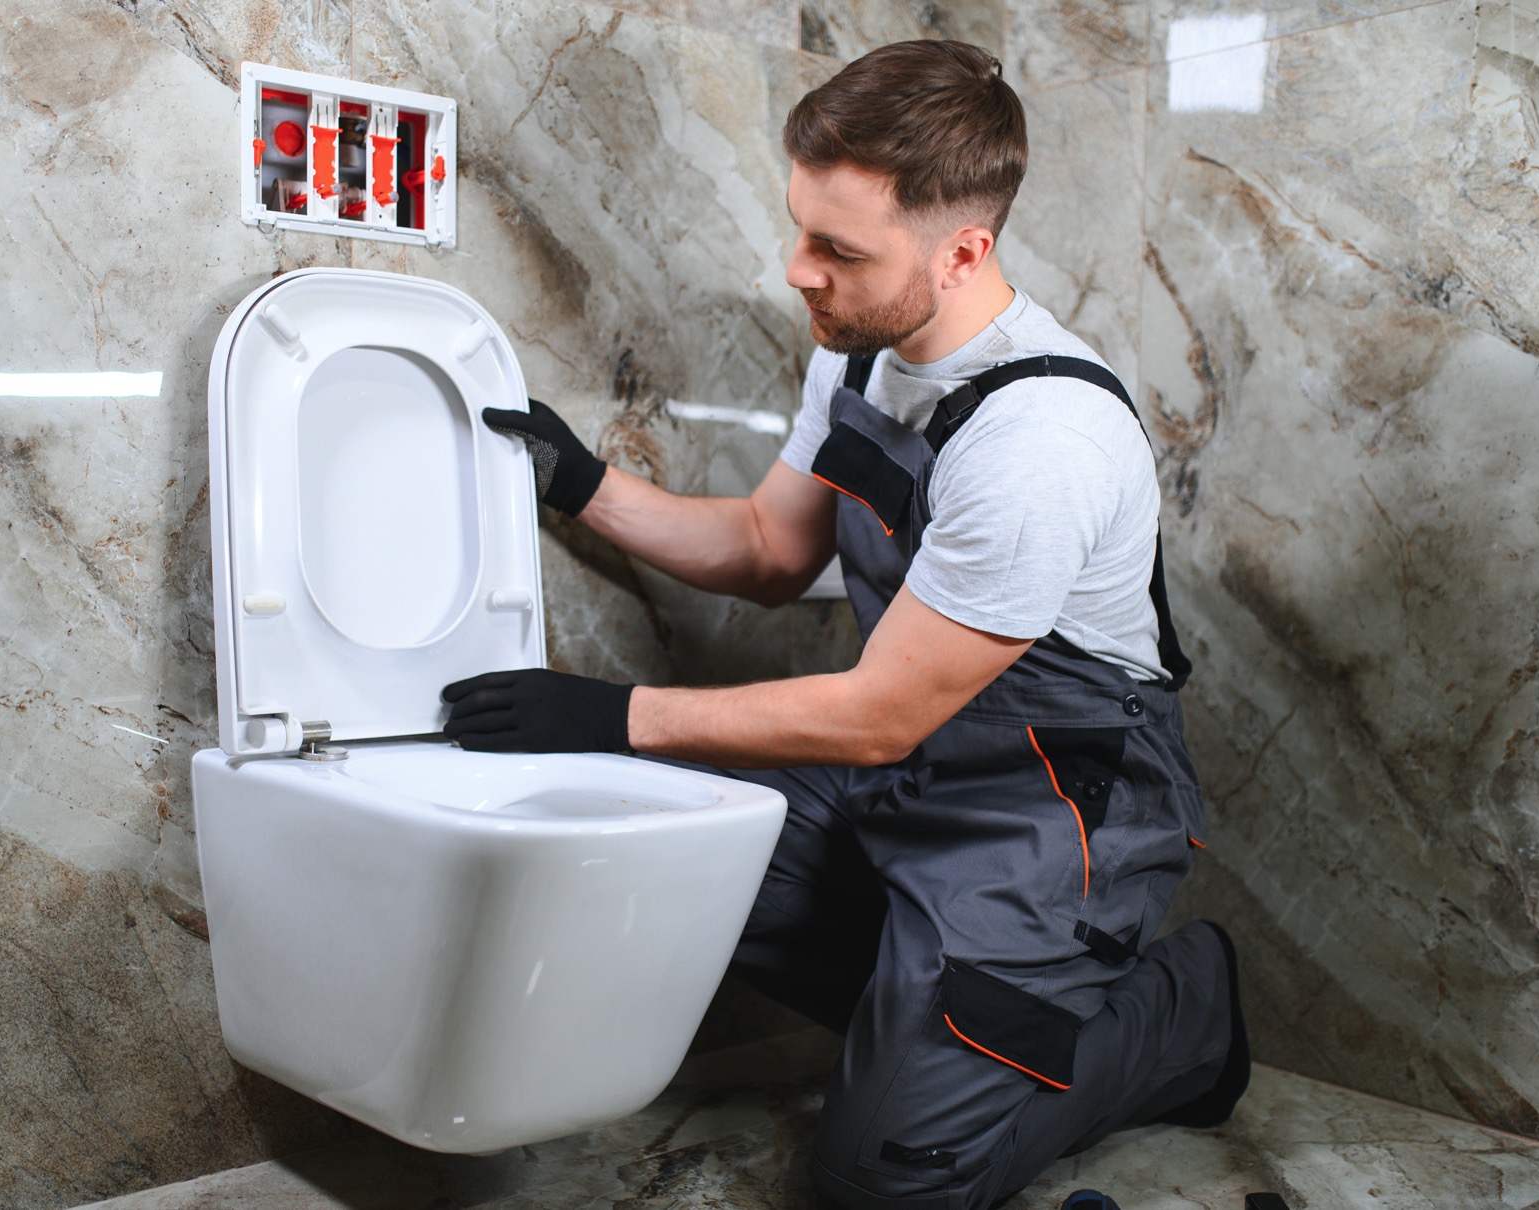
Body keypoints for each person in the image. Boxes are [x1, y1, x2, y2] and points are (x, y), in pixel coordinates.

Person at [439, 39, 1249, 1209]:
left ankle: (1180, 1015)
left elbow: (875, 713)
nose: (796, 271)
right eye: (799, 228)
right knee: (673, 861)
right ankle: (938, 1008)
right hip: (918, 765)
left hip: (1052, 808)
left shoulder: (1042, 443)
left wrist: (614, 715)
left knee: (883, 1188)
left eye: (836, 249)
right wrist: (581, 485)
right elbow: (772, 551)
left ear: (962, 249)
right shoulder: (866, 352)